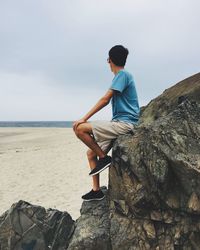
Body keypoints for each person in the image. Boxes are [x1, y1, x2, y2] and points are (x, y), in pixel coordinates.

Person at [73, 45, 140, 201]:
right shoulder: (122, 76)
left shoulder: (123, 75)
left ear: (110, 60)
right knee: (90, 153)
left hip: (124, 124)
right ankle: (96, 191)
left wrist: (84, 118)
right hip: (118, 123)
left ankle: (104, 158)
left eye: (108, 59)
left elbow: (105, 99)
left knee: (79, 128)